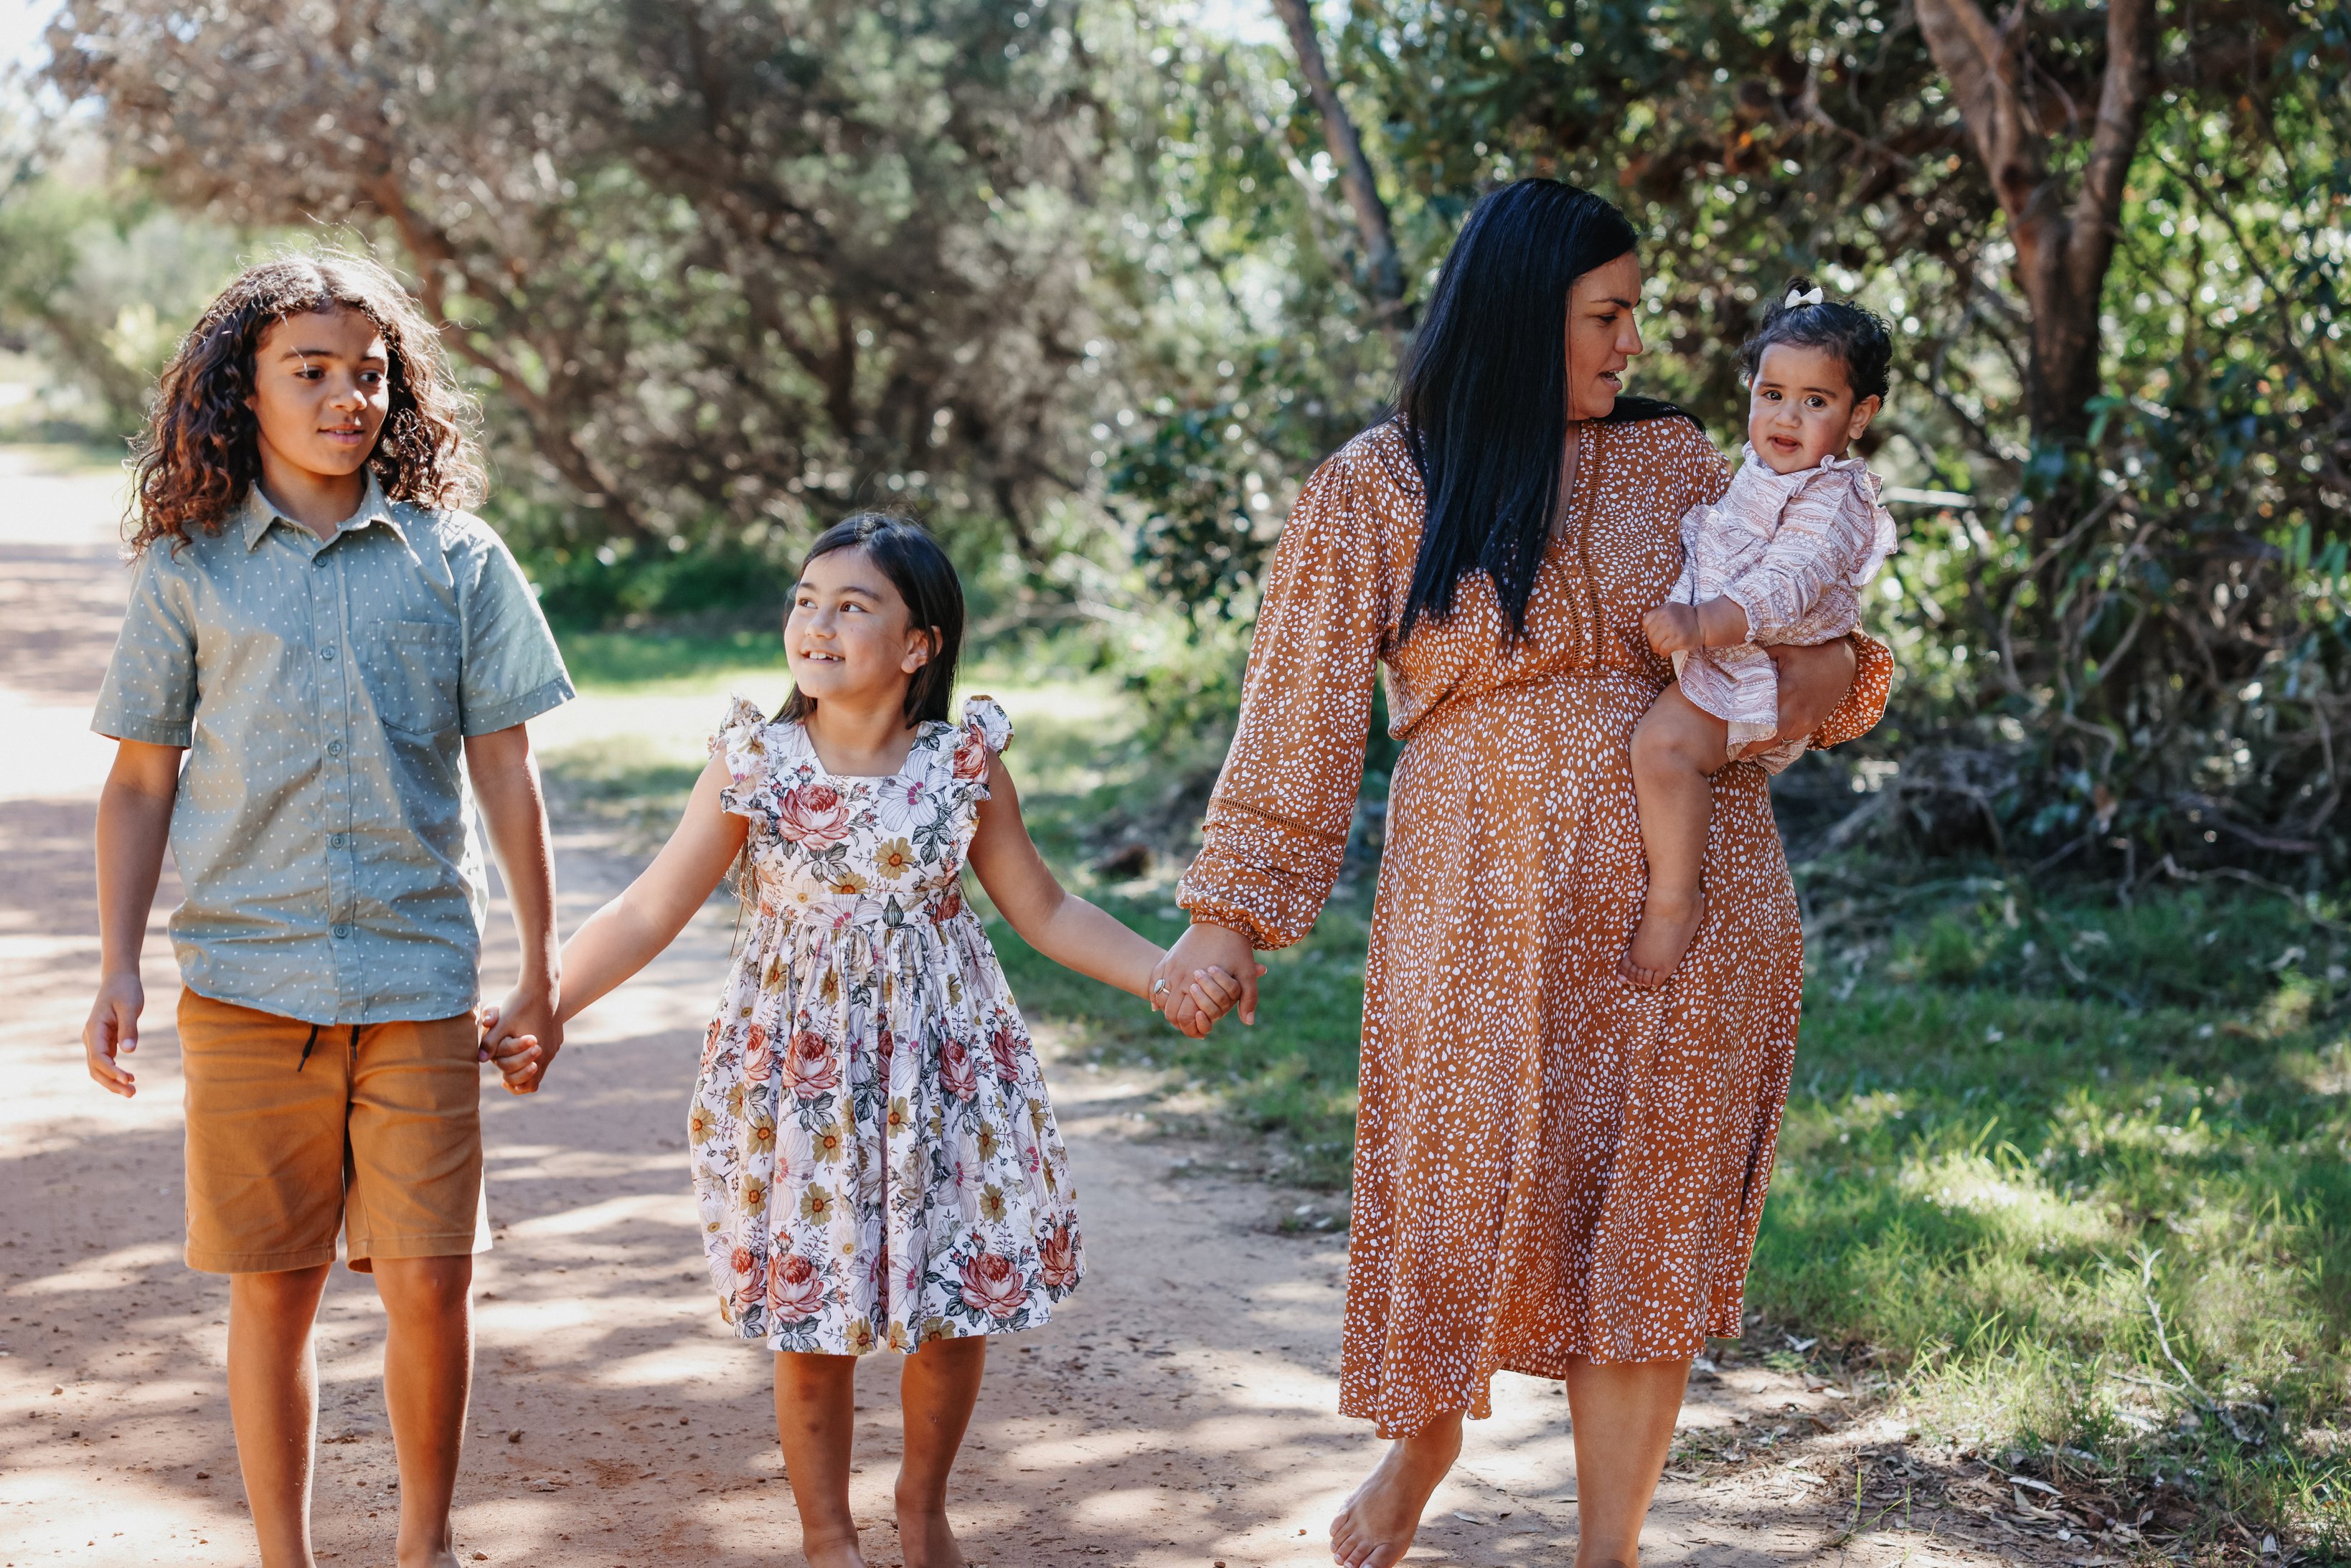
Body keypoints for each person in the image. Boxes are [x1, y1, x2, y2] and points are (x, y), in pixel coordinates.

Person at [1156, 181, 1894, 1568]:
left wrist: (1811, 674)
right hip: (1474, 904)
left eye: (1634, 314)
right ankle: (1424, 1438)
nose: (1630, 343)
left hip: (1694, 910)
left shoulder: (1686, 463)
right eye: (1602, 315)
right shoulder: (1379, 484)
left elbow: (1841, 658)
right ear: (1516, 314)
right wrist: (1226, 918)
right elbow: (1297, 711)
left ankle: (1603, 1554)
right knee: (1462, 1188)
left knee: (1647, 1223)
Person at [481, 514, 1245, 1568]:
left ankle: (923, 1506)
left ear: (919, 643)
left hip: (945, 1073)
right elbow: (650, 908)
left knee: (954, 1302)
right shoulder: (755, 760)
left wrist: (1163, 970)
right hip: (803, 1084)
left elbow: (1047, 909)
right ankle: (827, 1535)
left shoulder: (963, 763)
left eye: (854, 604)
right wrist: (545, 998)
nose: (817, 622)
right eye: (805, 598)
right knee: (812, 1309)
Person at [81, 252, 575, 1568]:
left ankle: (423, 1547)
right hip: (249, 984)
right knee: (277, 1291)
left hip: (419, 979)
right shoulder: (191, 568)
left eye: (369, 374)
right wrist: (118, 966)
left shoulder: (457, 559)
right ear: (244, 391)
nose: (347, 396)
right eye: (310, 371)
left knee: (430, 1281)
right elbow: (140, 780)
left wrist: (542, 968)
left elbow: (506, 774)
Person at [1620, 279, 1898, 987]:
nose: (1786, 416)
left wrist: (1699, 622)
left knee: (1663, 748)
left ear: (1858, 416)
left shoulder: (1833, 500)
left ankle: (1674, 898)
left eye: (1816, 401)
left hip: (1757, 666)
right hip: (1735, 657)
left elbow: (1786, 585)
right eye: (1771, 394)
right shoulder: (1761, 471)